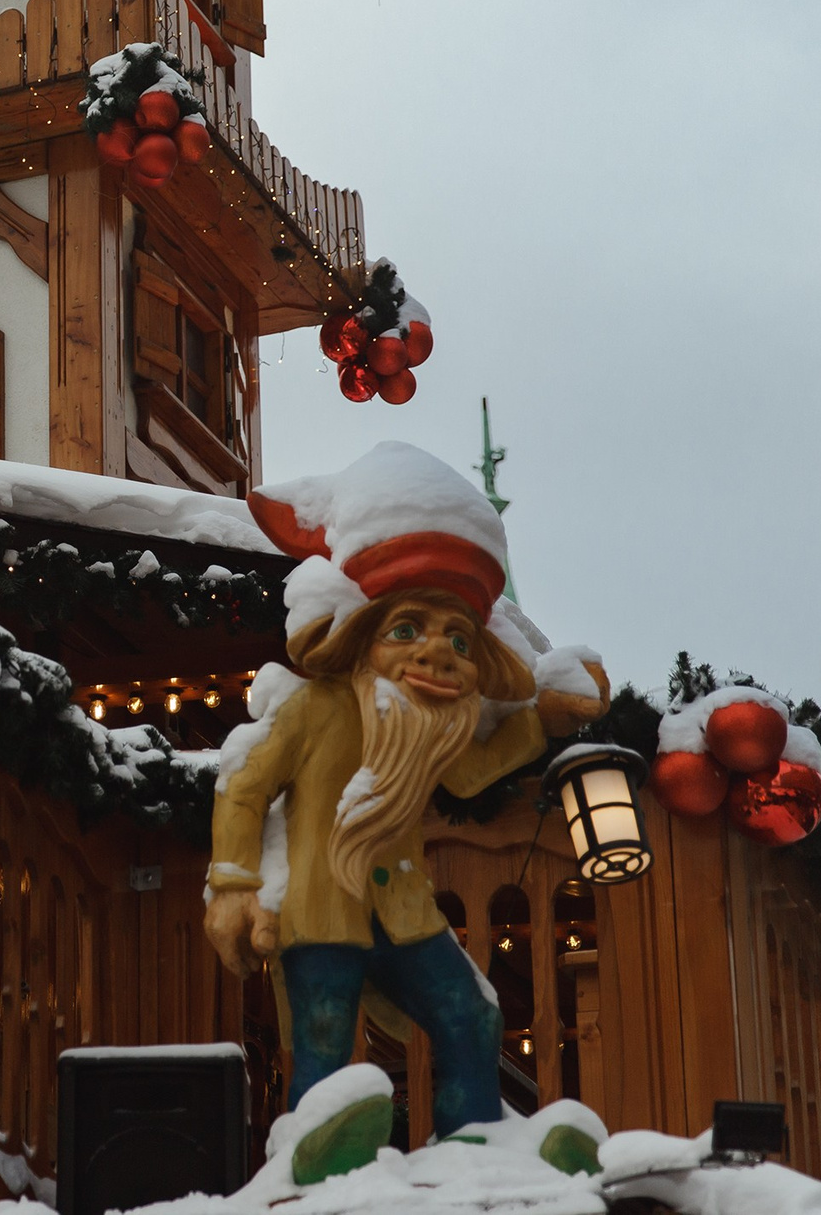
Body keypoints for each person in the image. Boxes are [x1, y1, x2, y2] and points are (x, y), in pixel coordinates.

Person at [207, 443, 608, 1181]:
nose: (440, 653)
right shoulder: (318, 707)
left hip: (403, 914)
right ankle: (311, 1159)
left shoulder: (427, 730)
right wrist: (233, 883)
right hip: (322, 909)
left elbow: (475, 769)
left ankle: (476, 1145)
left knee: (472, 1013)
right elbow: (244, 783)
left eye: (459, 638)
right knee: (324, 1036)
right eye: (408, 629)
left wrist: (541, 720)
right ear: (363, 634)